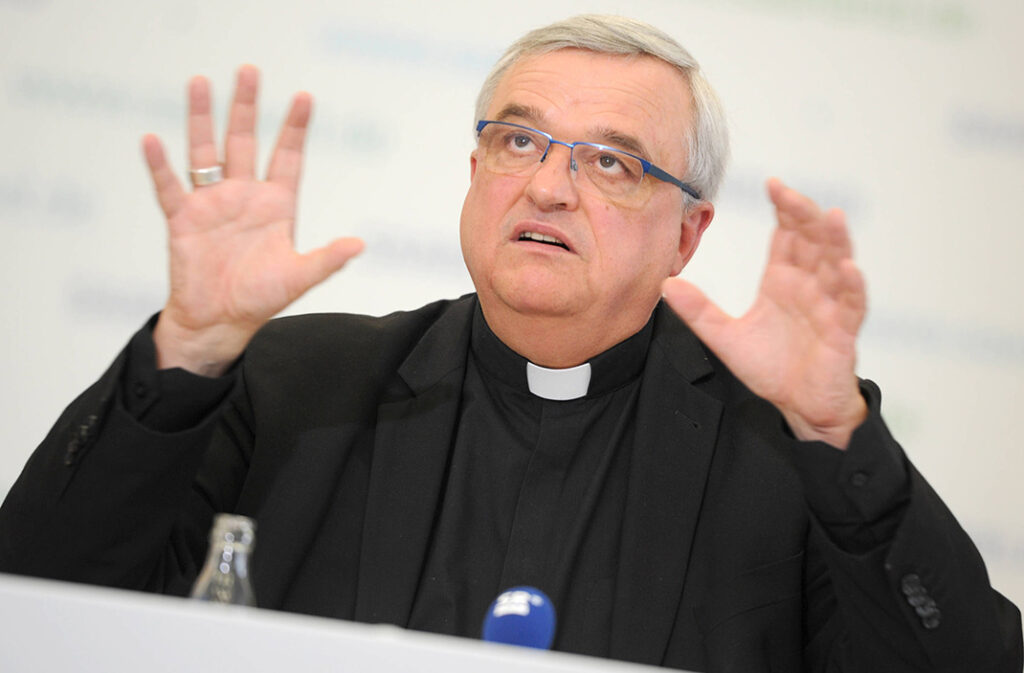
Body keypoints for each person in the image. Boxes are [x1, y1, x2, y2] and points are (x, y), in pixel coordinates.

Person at [0, 14, 1020, 673]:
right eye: (519, 140)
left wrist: (839, 437)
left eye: (611, 162)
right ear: (476, 172)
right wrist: (186, 349)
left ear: (686, 234)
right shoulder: (291, 384)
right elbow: (39, 600)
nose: (547, 185)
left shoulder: (789, 452)